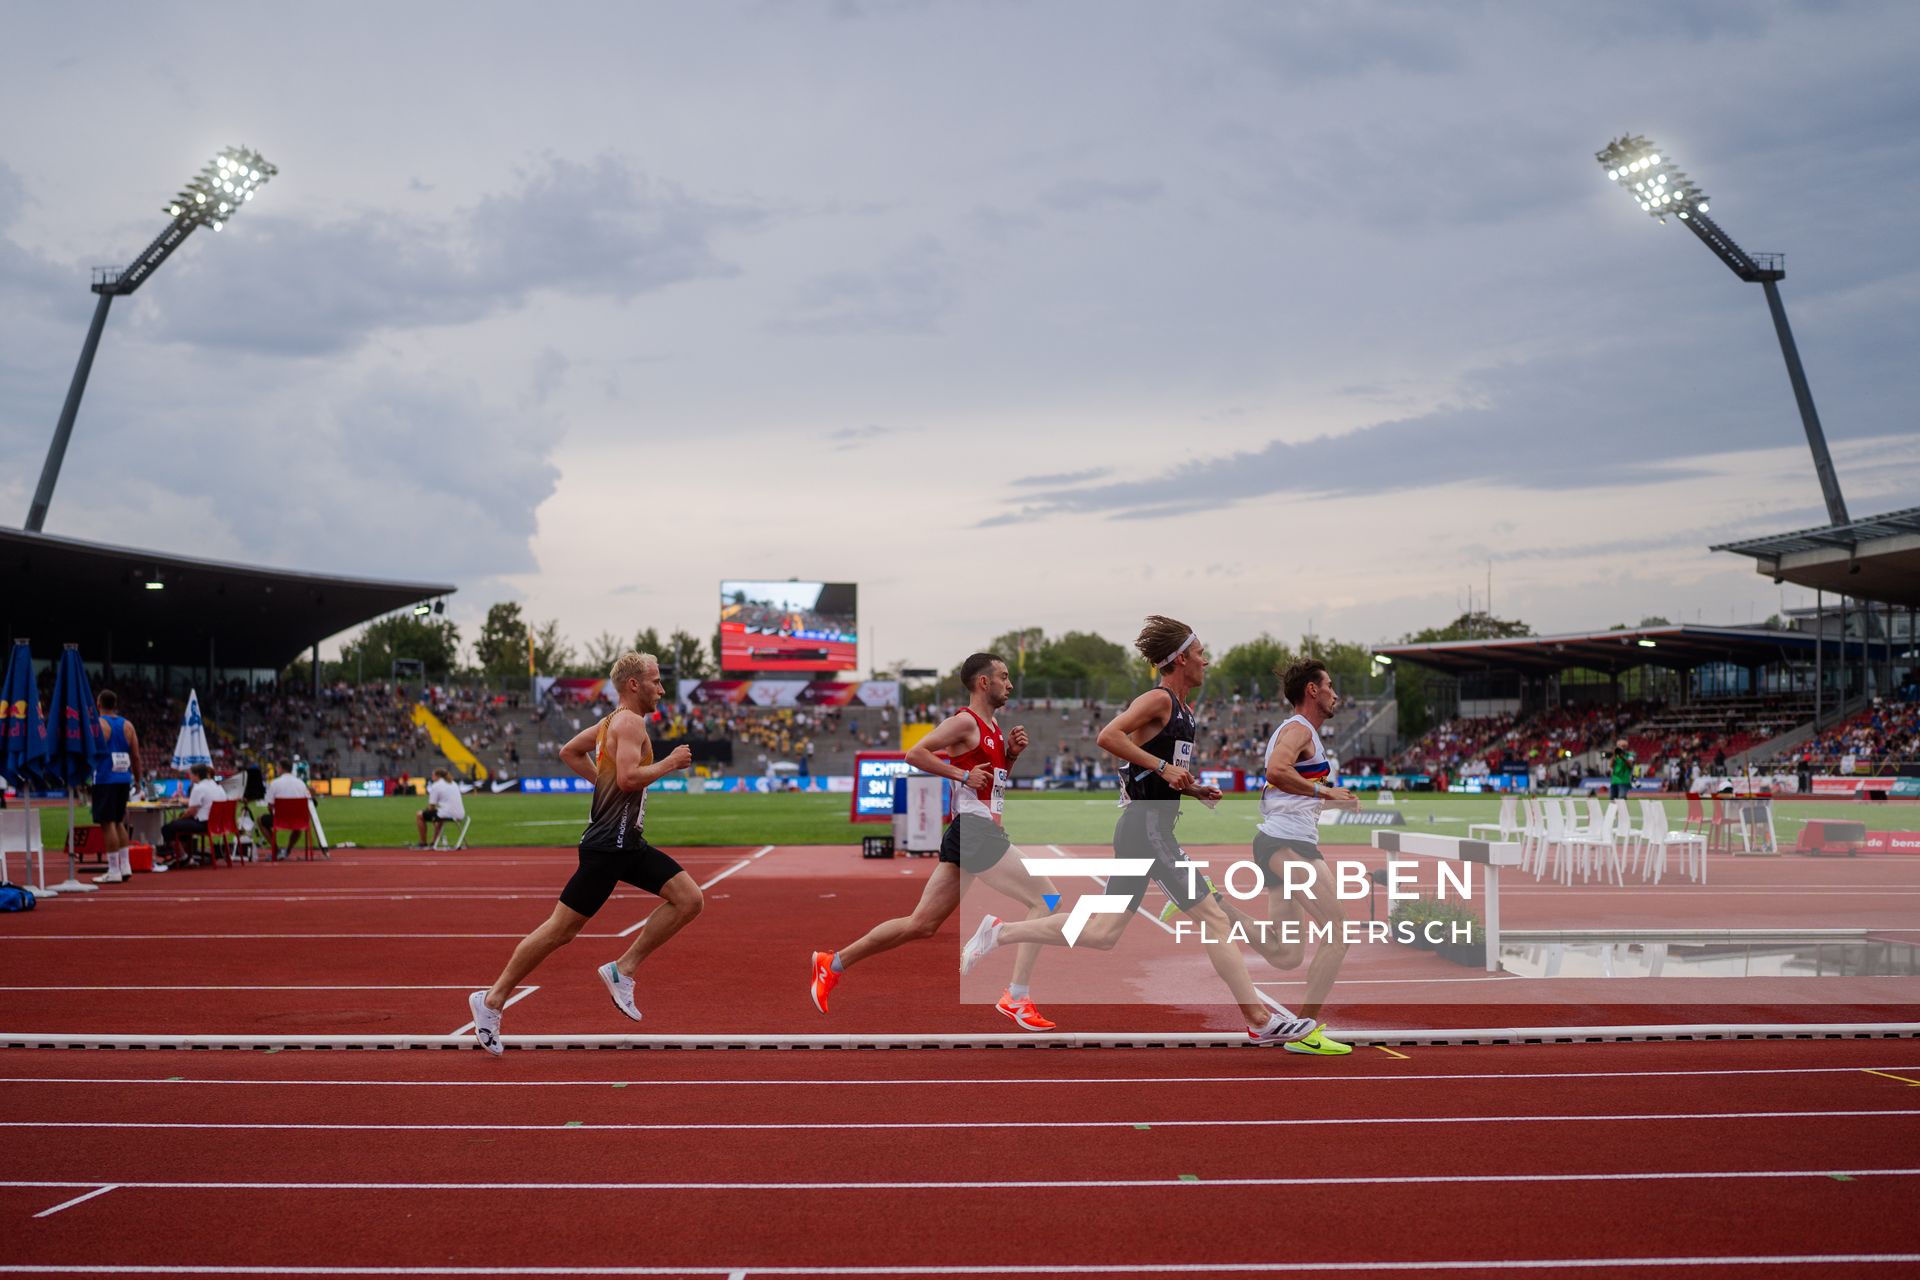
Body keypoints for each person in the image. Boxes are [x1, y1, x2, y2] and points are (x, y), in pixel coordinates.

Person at [960, 616, 1315, 1046]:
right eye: (1200, 654)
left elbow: (1147, 770)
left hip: (1145, 827)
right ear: (1181, 659)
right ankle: (1259, 1019)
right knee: (1214, 919)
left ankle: (1000, 932)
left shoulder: (1184, 711)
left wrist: (1192, 786)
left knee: (1103, 934)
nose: (1207, 661)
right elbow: (1108, 736)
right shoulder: (1159, 699)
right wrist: (1164, 768)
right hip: (1147, 830)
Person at [809, 652, 1061, 1030]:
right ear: (983, 682)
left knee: (921, 924)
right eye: (1004, 677)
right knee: (1046, 901)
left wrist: (1010, 756)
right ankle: (1017, 995)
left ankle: (834, 963)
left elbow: (991, 783)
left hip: (971, 832)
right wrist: (959, 776)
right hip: (976, 834)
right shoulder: (964, 722)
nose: (1010, 685)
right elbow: (915, 753)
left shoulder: (992, 729)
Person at [468, 651, 699, 1056]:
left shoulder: (611, 721)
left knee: (688, 899)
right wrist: (669, 763)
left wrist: (601, 783)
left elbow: (569, 752)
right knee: (561, 930)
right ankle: (490, 1001)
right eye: (656, 681)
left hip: (627, 844)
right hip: (608, 848)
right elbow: (628, 779)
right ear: (634, 684)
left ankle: (622, 968)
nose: (662, 689)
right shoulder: (627, 722)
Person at [1211, 658, 1359, 1056]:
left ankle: (1214, 904)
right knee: (1338, 933)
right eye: (1328, 685)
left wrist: (1328, 802)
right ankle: (1306, 1032)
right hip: (1286, 845)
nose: (1335, 693)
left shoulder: (1303, 732)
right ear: (1312, 690)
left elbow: (1284, 794)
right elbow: (1276, 772)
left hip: (1283, 841)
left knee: (1285, 953)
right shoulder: (1297, 729)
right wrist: (1324, 792)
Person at [88, 690, 141, 883]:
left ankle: (113, 870)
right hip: (123, 778)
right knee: (119, 821)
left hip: (104, 777)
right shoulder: (128, 725)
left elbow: (89, 750)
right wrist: (137, 779)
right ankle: (125, 866)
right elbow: (136, 756)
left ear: (99, 702)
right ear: (115, 704)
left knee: (107, 823)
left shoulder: (98, 724)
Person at [161, 764, 225, 866]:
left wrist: (179, 818)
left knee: (168, 828)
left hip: (205, 824)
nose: (189, 777)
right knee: (182, 823)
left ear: (197, 775)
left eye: (190, 774)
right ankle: (186, 855)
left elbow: (191, 811)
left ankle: (183, 857)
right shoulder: (216, 786)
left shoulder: (198, 787)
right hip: (218, 824)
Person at [262, 761, 311, 861]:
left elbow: (269, 805)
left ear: (281, 768)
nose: (276, 770)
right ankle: (288, 850)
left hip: (280, 820)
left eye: (277, 767)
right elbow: (308, 802)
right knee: (299, 824)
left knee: (260, 819)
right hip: (299, 820)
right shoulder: (301, 783)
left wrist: (274, 815)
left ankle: (276, 851)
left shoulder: (275, 783)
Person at [416, 768, 467, 849]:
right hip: (460, 814)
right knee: (439, 816)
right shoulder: (453, 783)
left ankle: (423, 842)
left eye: (433, 775)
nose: (432, 777)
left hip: (447, 814)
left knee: (419, 815)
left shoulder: (436, 785)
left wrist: (427, 810)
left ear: (437, 776)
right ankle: (433, 842)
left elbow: (431, 806)